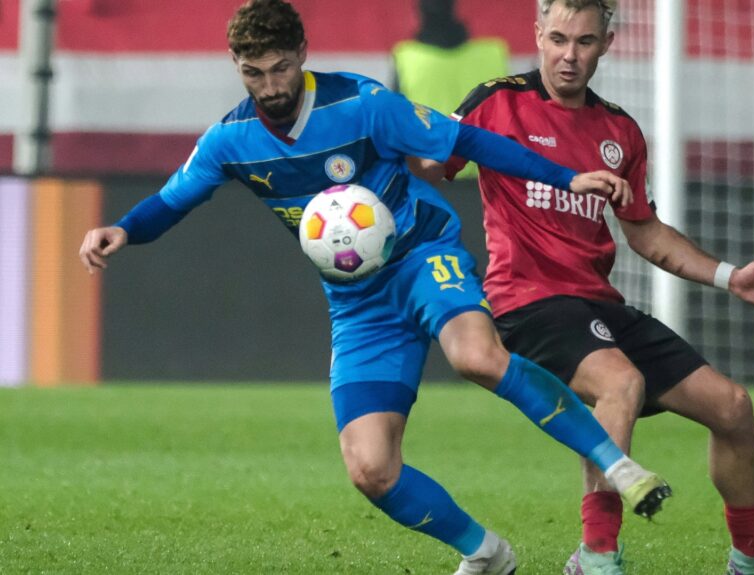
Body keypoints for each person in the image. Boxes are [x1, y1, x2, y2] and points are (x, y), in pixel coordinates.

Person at [76, 1, 673, 574]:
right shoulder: (230, 141)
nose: (271, 86)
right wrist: (123, 230)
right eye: (255, 73)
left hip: (421, 256)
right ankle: (485, 552)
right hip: (357, 303)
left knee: (477, 357)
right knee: (371, 468)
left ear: (302, 54)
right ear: (238, 67)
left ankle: (615, 465)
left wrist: (568, 177)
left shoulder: (363, 105)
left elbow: (468, 141)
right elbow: (172, 201)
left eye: (281, 68)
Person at [433, 1, 754, 573]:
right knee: (621, 383)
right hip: (528, 302)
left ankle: (752, 561)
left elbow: (646, 234)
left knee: (732, 406)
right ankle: (595, 554)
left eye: (585, 42)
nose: (569, 56)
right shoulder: (495, 104)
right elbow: (426, 164)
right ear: (537, 35)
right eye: (558, 39)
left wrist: (728, 276)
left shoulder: (618, 130)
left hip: (597, 305)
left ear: (606, 44)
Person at [392, 0, 508, 180]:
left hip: (430, 184)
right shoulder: (493, 53)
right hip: (488, 186)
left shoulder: (406, 58)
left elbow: (392, 129)